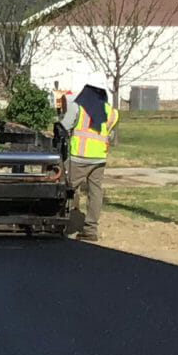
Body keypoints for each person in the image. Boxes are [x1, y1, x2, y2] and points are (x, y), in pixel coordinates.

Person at [58, 80, 118, 241]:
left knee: (63, 187)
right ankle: (91, 229)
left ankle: (57, 223)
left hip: (79, 157)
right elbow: (109, 134)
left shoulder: (78, 107)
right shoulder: (111, 112)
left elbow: (64, 126)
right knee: (95, 191)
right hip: (99, 158)